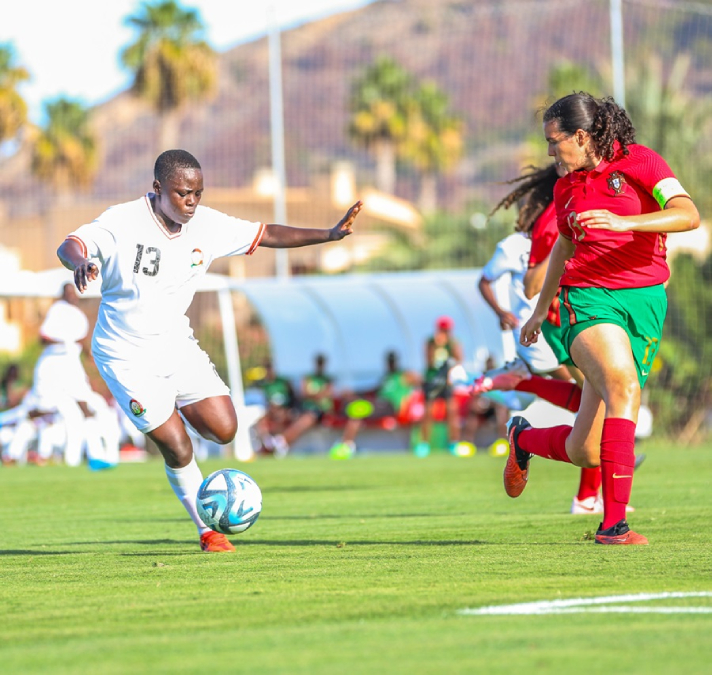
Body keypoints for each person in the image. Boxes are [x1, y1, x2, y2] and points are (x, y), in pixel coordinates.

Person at [57, 148, 362, 552]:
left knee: (224, 429)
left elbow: (266, 233)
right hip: (125, 356)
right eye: (183, 193)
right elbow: (71, 244)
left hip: (175, 345)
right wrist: (79, 262)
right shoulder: (122, 221)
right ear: (157, 189)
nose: (192, 202)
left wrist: (328, 234)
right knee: (177, 445)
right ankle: (208, 529)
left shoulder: (207, 225)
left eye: (198, 193)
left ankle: (182, 427)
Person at [505, 92, 699, 544]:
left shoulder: (642, 162)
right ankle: (614, 526)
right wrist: (539, 310)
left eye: (555, 142)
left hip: (646, 302)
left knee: (586, 450)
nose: (550, 152)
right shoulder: (565, 187)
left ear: (581, 135)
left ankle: (524, 439)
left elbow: (687, 215)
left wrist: (626, 223)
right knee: (623, 388)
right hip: (588, 300)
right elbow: (564, 248)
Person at [329, 350, 420, 457]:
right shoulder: (386, 378)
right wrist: (353, 393)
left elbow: (419, 380)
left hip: (389, 405)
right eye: (389, 361)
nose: (391, 364)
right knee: (357, 410)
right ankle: (347, 444)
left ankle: (346, 446)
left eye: (393, 361)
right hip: (378, 404)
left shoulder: (403, 375)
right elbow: (373, 390)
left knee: (359, 409)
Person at [414, 316, 468, 457]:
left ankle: (453, 443)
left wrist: (450, 344)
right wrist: (436, 346)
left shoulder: (454, 342)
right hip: (432, 380)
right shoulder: (430, 341)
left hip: (447, 382)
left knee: (452, 411)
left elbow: (459, 359)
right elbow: (429, 362)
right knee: (428, 412)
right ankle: (424, 444)